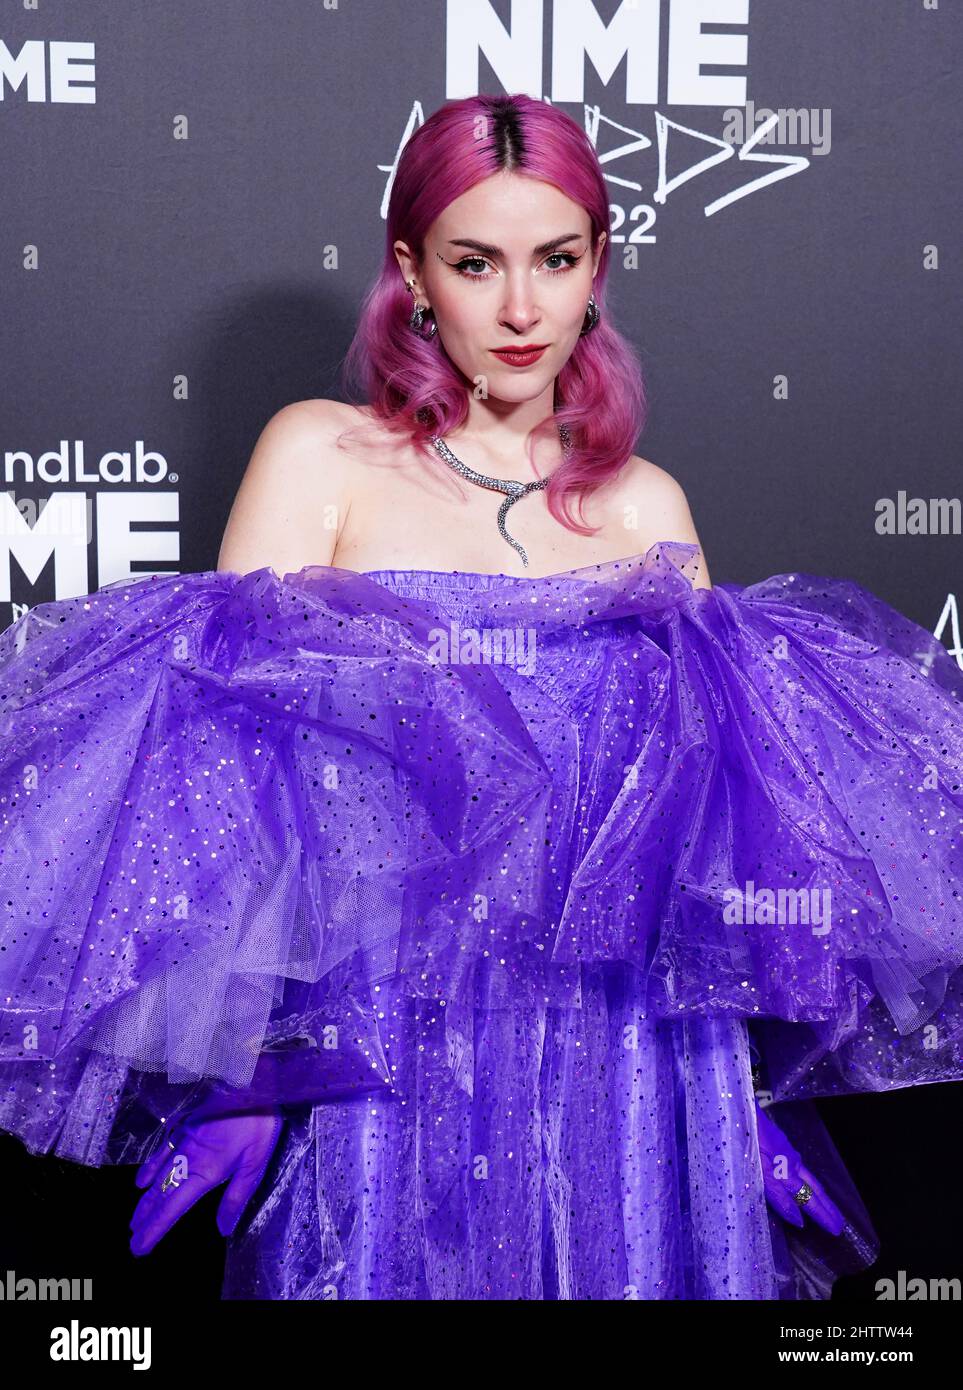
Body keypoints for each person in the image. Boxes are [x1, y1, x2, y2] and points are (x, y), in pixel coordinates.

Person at [1, 93, 961, 1301]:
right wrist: (252, 1075)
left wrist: (736, 1098)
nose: (520, 309)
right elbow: (223, 787)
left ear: (599, 264)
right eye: (475, 263)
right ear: (411, 270)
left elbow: (711, 838)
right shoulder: (320, 455)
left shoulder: (646, 508)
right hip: (383, 1061)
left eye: (556, 260)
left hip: (631, 1056)